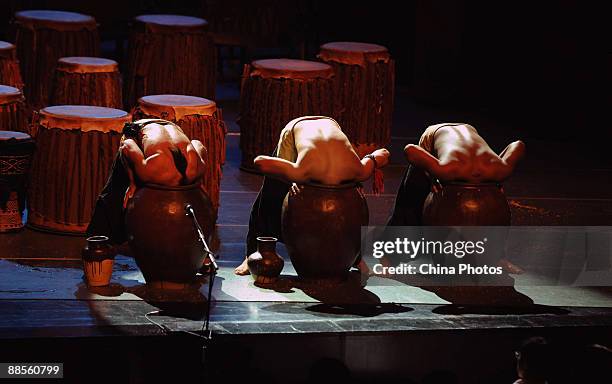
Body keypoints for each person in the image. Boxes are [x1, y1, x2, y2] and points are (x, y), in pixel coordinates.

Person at [235, 115, 390, 276]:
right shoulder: (350, 170)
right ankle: (251, 253)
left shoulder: (357, 170)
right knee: (271, 195)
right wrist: (290, 176)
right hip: (296, 127)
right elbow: (260, 161)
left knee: (354, 202)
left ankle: (357, 259)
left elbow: (382, 154)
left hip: (331, 125)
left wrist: (372, 160)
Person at [87, 119, 208, 244]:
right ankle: (103, 237)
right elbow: (127, 145)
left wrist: (199, 181)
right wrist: (132, 183)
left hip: (171, 126)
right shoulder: (152, 171)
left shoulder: (196, 170)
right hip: (139, 127)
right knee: (116, 188)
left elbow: (198, 144)